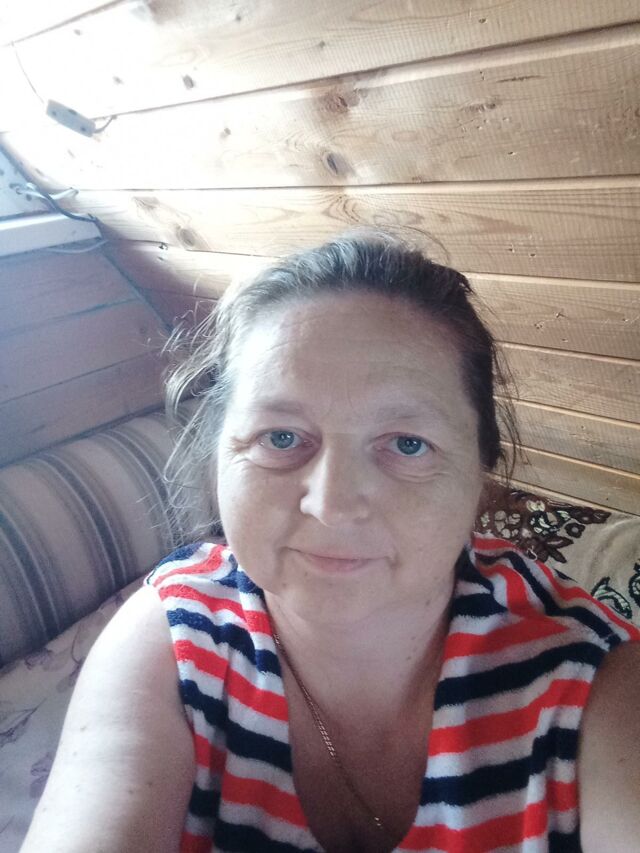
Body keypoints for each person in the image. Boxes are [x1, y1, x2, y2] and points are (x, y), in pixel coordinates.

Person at [20, 231, 640, 853]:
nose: (333, 504)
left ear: (480, 478)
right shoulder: (172, 641)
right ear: (217, 459)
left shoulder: (597, 680)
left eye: (407, 444)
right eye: (282, 438)